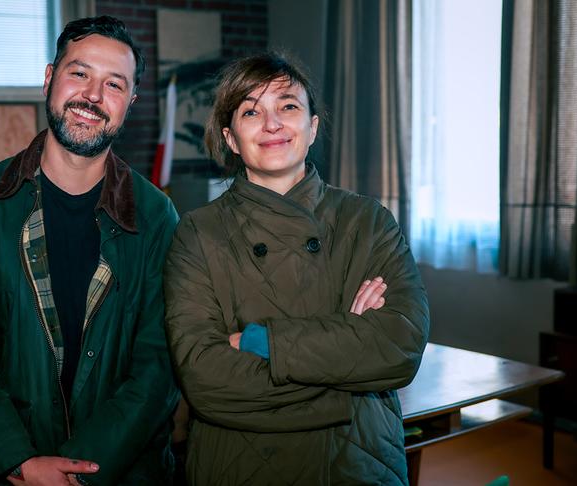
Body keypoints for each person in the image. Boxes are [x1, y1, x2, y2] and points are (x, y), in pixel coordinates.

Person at [163, 52, 430, 485]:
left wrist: (260, 340)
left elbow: (400, 346)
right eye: (252, 112)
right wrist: (348, 368)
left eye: (288, 106)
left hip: (356, 461)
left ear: (313, 127)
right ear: (231, 139)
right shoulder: (197, 233)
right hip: (239, 465)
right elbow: (205, 379)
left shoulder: (368, 221)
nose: (272, 124)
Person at [0, 16, 180, 486]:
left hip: (120, 473)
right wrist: (19, 461)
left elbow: (159, 367)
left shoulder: (157, 217)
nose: (92, 95)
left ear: (130, 102)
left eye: (114, 84)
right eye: (79, 73)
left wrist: (82, 470)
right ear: (49, 78)